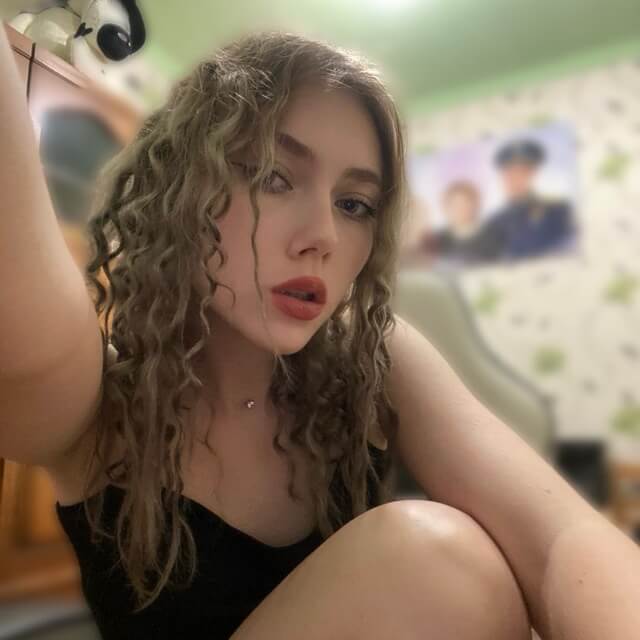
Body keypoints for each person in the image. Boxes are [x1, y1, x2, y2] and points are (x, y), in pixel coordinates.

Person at [2, 25, 640, 640]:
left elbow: (557, 540)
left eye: (354, 204)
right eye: (272, 176)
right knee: (437, 565)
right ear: (180, 189)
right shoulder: (95, 406)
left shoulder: (371, 359)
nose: (325, 237)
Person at [480, 138, 576, 262]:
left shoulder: (559, 211)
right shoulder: (494, 222)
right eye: (510, 172)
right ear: (503, 176)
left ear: (532, 174)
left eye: (522, 172)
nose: (515, 178)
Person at [432, 179, 497, 268]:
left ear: (475, 205)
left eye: (465, 203)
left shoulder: (491, 237)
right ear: (446, 207)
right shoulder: (437, 239)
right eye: (455, 204)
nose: (460, 209)